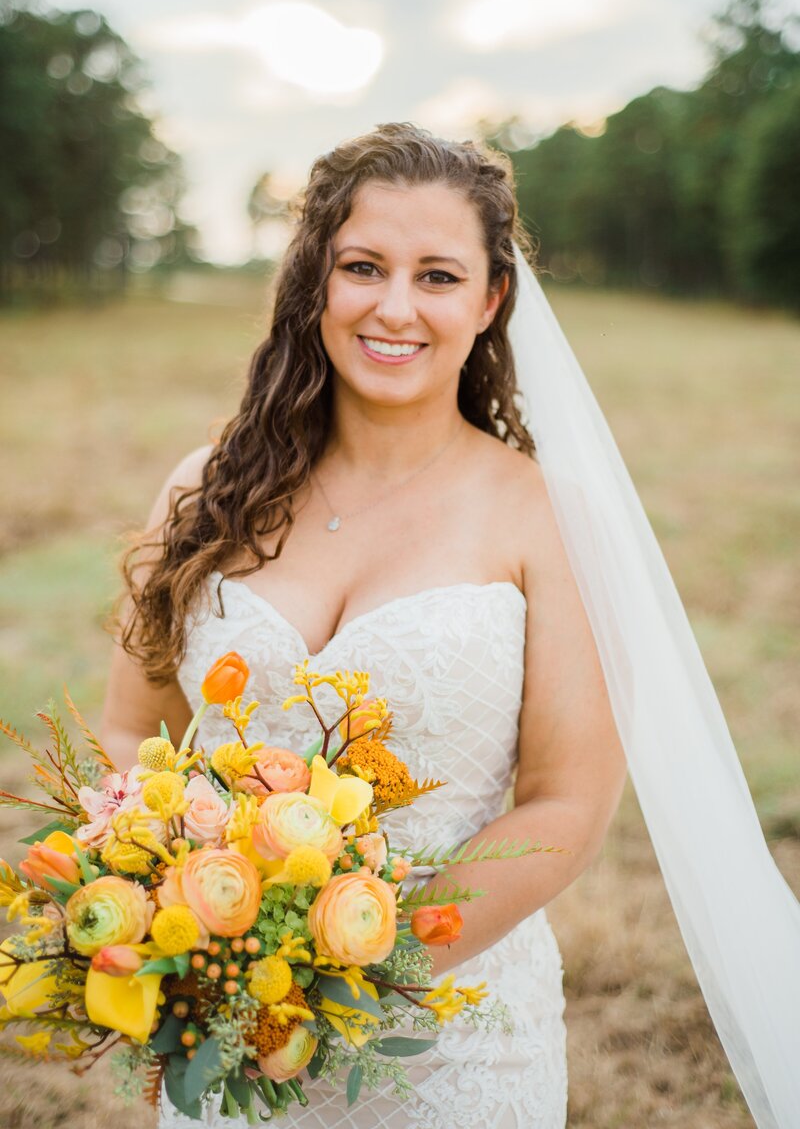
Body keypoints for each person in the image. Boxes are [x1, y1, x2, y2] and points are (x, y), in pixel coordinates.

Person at [102, 123, 626, 1127]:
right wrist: (194, 931)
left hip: (448, 1046)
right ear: (315, 284)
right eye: (362, 267)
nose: (393, 307)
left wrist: (335, 973)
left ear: (489, 300)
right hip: (226, 1030)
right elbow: (135, 733)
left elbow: (566, 805)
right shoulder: (205, 490)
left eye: (436, 275)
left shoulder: (545, 517)